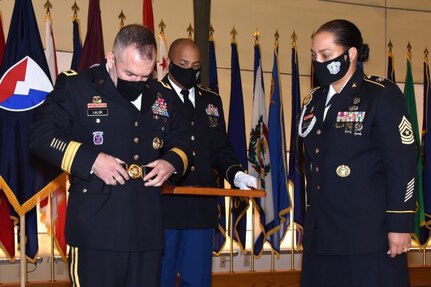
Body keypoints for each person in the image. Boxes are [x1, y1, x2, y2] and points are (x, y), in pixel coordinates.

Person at [29, 24, 191, 287]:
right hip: (97, 232)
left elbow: (182, 140)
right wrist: (91, 160)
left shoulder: (162, 96)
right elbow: (41, 135)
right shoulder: (77, 87)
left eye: (144, 76)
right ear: (110, 58)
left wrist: (171, 162)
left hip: (146, 232)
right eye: (130, 74)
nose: (138, 83)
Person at [299, 19, 417, 287]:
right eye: (314, 56)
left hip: (367, 232)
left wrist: (400, 222)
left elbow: (403, 162)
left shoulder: (380, 95)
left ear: (351, 54)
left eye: (326, 55)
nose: (318, 62)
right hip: (322, 232)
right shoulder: (313, 101)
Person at [153, 38, 257, 287]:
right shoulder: (152, 94)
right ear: (169, 62)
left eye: (196, 65)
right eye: (183, 63)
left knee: (197, 280)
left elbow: (220, 147)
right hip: (163, 206)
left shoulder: (211, 100)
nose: (190, 70)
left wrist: (236, 174)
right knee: (159, 279)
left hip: (201, 206)